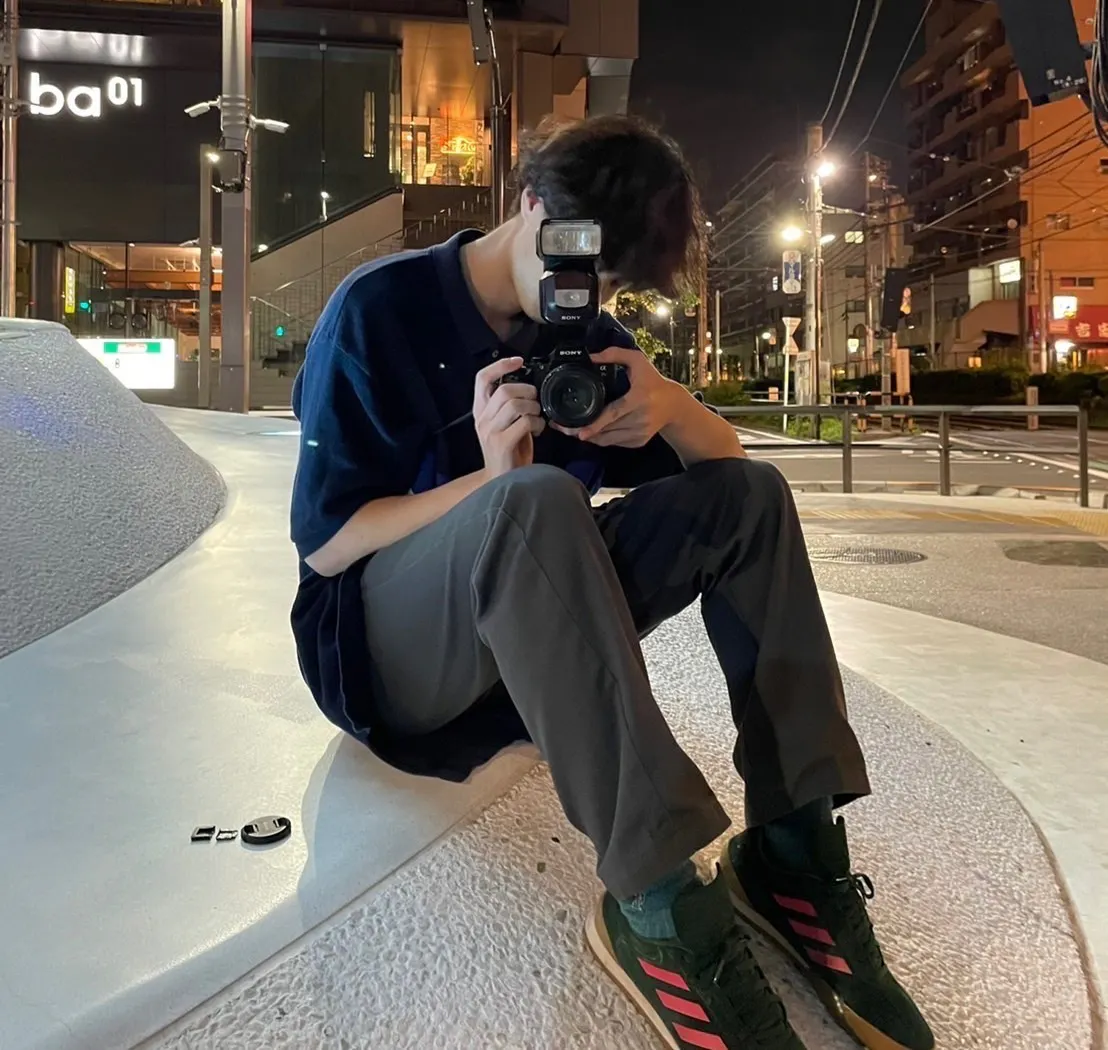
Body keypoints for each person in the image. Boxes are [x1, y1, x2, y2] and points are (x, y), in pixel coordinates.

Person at [289, 114, 933, 1050]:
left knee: (749, 496)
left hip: (530, 644)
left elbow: (724, 468)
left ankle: (794, 854)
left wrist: (670, 402)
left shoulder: (585, 334)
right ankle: (659, 903)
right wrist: (491, 478)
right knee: (534, 498)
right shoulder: (381, 309)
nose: (586, 294)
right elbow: (327, 545)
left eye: (613, 281)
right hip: (386, 658)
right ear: (530, 205)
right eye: (579, 263)